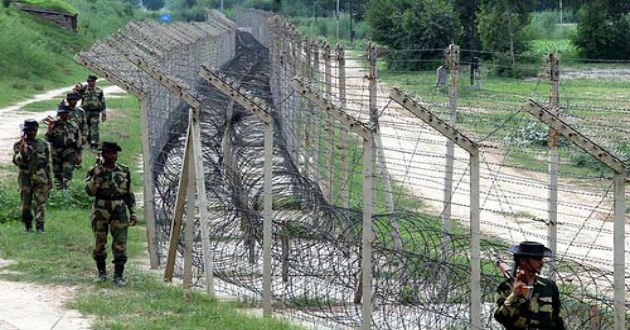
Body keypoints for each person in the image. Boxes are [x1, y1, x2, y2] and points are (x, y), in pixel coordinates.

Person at [85, 142, 137, 286]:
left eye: (114, 153)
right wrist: (98, 174)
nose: (112, 156)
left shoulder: (123, 170)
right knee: (99, 242)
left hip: (119, 208)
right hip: (101, 208)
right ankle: (101, 273)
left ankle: (118, 275)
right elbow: (90, 191)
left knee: (120, 242)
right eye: (108, 153)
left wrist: (133, 212)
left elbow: (129, 193)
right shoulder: (94, 171)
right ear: (102, 155)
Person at [494, 241, 565, 330]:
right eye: (536, 259)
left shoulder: (549, 286)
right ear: (522, 261)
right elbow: (500, 317)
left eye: (541, 259)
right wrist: (514, 296)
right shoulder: (505, 288)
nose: (541, 263)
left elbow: (558, 319)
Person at [12, 119, 52, 233]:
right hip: (25, 175)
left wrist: (49, 178)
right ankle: (28, 225)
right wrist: (22, 152)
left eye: (33, 130)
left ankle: (40, 226)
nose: (31, 133)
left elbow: (47, 163)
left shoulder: (43, 144)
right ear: (24, 131)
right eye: (28, 130)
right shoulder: (18, 145)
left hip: (40, 174)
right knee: (26, 202)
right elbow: (16, 161)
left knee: (41, 201)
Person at [45, 105, 81, 189]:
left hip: (69, 152)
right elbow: (47, 138)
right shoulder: (54, 124)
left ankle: (66, 190)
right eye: (61, 113)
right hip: (56, 152)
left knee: (67, 172)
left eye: (65, 113)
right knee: (57, 173)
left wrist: (79, 154)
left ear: (68, 113)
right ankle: (59, 190)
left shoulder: (74, 125)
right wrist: (50, 129)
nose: (63, 115)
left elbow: (78, 140)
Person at [77, 75, 106, 149]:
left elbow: (102, 102)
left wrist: (103, 114)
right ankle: (86, 141)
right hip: (85, 112)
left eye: (92, 81)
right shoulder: (83, 90)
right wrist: (77, 89)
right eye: (89, 81)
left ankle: (94, 143)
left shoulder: (99, 91)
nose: (91, 83)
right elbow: (76, 97)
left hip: (95, 112)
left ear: (95, 82)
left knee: (94, 127)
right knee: (85, 127)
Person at [65, 92, 88, 166]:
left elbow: (84, 125)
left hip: (78, 135)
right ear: (68, 101)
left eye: (75, 100)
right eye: (72, 100)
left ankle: (78, 164)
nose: (74, 101)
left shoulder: (81, 112)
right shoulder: (64, 111)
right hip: (66, 135)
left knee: (78, 155)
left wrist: (84, 136)